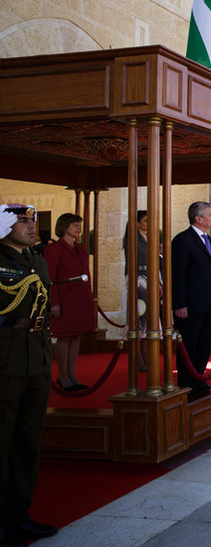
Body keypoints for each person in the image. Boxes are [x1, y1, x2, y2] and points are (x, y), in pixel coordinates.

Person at [0, 204, 59, 544]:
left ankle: (20, 515)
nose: (30, 226)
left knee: (27, 443)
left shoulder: (37, 259)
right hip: (5, 359)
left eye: (33, 221)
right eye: (22, 221)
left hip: (35, 357)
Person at [170, 202, 211, 394]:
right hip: (190, 305)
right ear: (198, 219)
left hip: (207, 303)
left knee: (203, 345)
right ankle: (186, 382)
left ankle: (199, 378)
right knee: (188, 344)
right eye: (210, 214)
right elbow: (177, 274)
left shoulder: (208, 239)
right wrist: (179, 303)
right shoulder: (183, 240)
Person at [45, 212, 96, 391]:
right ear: (64, 226)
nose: (79, 228)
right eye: (75, 224)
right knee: (64, 337)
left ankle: (72, 374)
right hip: (64, 298)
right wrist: (55, 302)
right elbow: (49, 277)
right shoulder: (54, 249)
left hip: (80, 298)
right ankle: (63, 375)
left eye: (79, 225)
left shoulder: (80, 248)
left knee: (76, 336)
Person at [122, 210, 149, 371]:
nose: (148, 223)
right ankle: (138, 360)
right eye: (146, 220)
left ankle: (146, 358)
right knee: (139, 322)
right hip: (139, 282)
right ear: (137, 223)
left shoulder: (149, 238)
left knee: (148, 323)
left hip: (150, 281)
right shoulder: (133, 239)